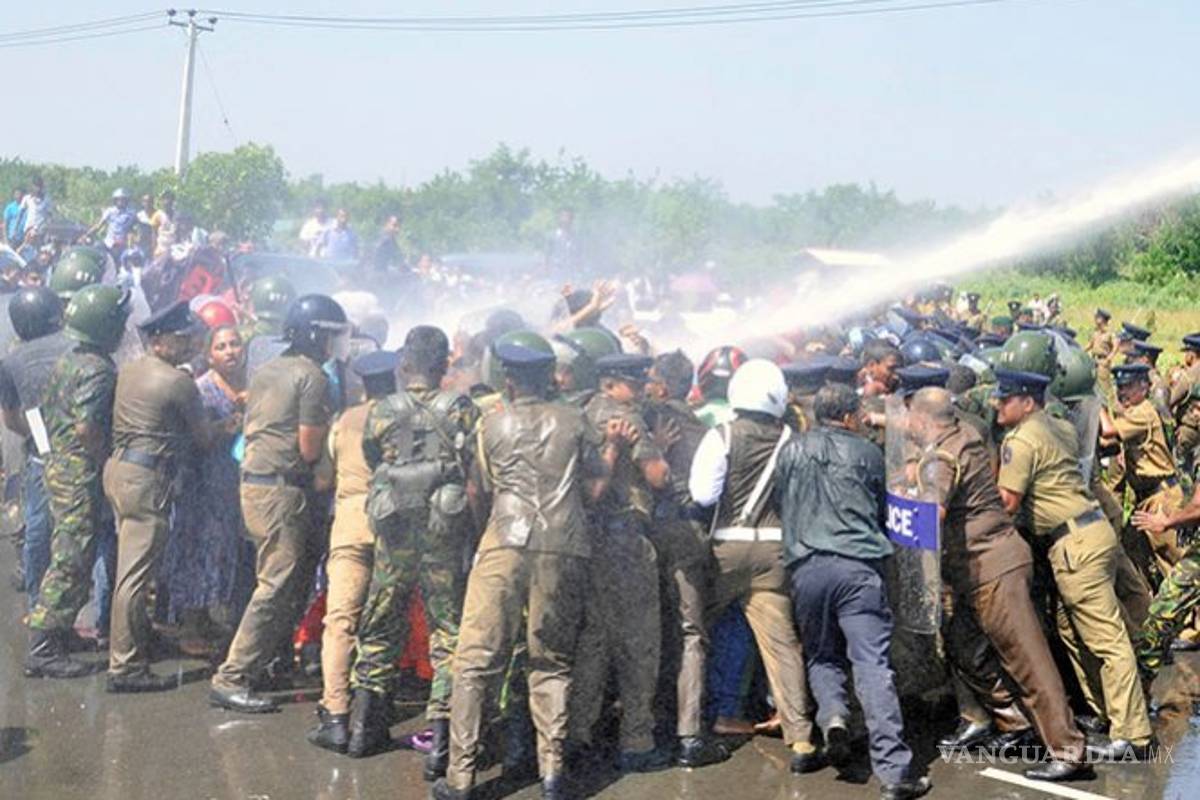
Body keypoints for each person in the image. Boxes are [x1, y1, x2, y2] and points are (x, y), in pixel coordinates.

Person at [431, 341, 622, 800]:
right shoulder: (576, 423)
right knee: (551, 661)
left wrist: (487, 537)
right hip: (564, 545)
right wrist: (614, 448)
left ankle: (460, 777)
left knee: (476, 659)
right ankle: (552, 774)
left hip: (504, 539)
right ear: (550, 376)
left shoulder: (490, 423)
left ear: (509, 378)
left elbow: (479, 490)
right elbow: (594, 491)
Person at [908, 387, 1089, 782]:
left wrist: (898, 516)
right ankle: (1016, 722)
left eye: (909, 418)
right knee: (964, 645)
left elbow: (931, 513)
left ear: (923, 420)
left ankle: (1068, 750)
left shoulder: (941, 457)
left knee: (1028, 663)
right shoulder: (965, 434)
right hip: (980, 570)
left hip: (993, 569)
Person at [775, 383, 929, 799]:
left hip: (807, 571)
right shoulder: (868, 454)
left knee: (822, 657)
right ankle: (895, 773)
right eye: (859, 414)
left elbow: (781, 502)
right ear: (846, 417)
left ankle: (834, 717)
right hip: (859, 571)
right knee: (872, 665)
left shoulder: (791, 451)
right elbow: (887, 510)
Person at [993, 368, 1154, 761]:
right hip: (1093, 530)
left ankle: (1132, 735)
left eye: (1006, 398)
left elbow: (1008, 502)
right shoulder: (1058, 427)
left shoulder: (1022, 440)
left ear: (1027, 401)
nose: (998, 404)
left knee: (1105, 638)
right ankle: (1107, 715)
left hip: (1074, 545)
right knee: (1073, 630)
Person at [209, 294, 348, 713]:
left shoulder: (268, 369)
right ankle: (232, 676)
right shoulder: (313, 376)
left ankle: (268, 661)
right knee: (277, 583)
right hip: (282, 491)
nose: (334, 344)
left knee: (289, 579)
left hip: (255, 485)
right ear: (315, 335)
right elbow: (309, 448)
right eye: (330, 335)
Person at [347, 326, 479, 770]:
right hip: (443, 528)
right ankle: (442, 742)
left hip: (395, 526)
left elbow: (371, 455)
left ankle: (364, 728)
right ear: (445, 365)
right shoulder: (461, 407)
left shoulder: (382, 409)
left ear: (404, 365)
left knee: (381, 618)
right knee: (448, 630)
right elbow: (473, 465)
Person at [688, 359, 816, 774]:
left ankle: (687, 721)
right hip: (774, 555)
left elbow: (703, 495)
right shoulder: (790, 439)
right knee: (782, 647)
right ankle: (800, 737)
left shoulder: (721, 435)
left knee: (694, 634)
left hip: (726, 550)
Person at [569, 353, 671, 771]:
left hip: (590, 541)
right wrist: (659, 451)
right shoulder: (627, 418)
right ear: (611, 383)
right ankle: (637, 739)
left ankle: (578, 731)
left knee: (593, 639)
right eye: (634, 380)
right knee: (639, 642)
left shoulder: (579, 414)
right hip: (627, 541)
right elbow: (658, 477)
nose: (643, 386)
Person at [24, 285, 131, 678]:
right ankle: (43, 646)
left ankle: (59, 632)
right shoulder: (98, 369)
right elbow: (87, 427)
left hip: (58, 465)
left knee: (68, 551)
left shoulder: (70, 359)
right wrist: (107, 460)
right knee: (72, 557)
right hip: (78, 471)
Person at [104, 301, 211, 692]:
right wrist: (230, 421)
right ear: (159, 340)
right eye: (180, 338)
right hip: (148, 479)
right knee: (133, 577)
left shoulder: (130, 371)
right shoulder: (176, 381)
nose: (187, 344)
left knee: (129, 570)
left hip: (121, 471)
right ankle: (126, 667)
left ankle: (135, 644)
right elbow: (203, 437)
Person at [307, 349, 399, 754]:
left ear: (362, 384)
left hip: (349, 522)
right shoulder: (406, 416)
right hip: (393, 526)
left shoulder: (343, 422)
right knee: (385, 621)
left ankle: (336, 715)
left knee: (340, 620)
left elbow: (323, 480)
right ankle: (372, 711)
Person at [642, 350, 730, 767]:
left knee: (648, 628)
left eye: (650, 378)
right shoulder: (701, 429)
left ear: (661, 385)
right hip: (688, 535)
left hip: (647, 536)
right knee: (691, 632)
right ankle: (689, 734)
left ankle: (644, 725)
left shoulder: (645, 419)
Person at [158, 324, 251, 655]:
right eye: (221, 346)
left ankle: (212, 616)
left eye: (235, 344)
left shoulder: (251, 387)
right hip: (202, 484)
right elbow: (192, 437)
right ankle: (191, 625)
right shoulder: (199, 390)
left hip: (237, 484)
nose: (230, 352)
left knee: (226, 552)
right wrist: (230, 424)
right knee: (198, 553)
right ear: (209, 355)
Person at [0, 287, 71, 607]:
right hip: (80, 447)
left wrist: (43, 436)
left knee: (37, 528)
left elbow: (12, 420)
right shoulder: (75, 348)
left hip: (37, 450)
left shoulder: (11, 360)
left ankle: (36, 604)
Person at [1105, 363, 1185, 585]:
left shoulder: (1143, 413)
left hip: (1162, 499)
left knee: (1180, 565)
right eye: (1119, 387)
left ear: (1144, 387)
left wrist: (1098, 406)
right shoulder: (1134, 413)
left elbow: (1109, 431)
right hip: (1148, 499)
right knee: (1131, 552)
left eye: (1128, 386)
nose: (1122, 392)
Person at [84, 188, 138, 259]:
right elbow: (98, 226)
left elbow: (134, 230)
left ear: (127, 200)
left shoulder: (131, 214)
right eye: (118, 199)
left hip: (121, 245)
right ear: (115, 200)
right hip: (108, 243)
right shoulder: (110, 211)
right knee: (97, 250)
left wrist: (133, 242)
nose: (121, 202)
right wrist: (86, 234)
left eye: (123, 199)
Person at [18, 176, 53, 246]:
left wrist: (49, 228)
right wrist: (16, 229)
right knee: (27, 248)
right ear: (32, 186)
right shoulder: (27, 198)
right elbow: (20, 213)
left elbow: (50, 216)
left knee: (38, 250)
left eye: (39, 186)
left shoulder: (46, 199)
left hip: (40, 230)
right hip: (28, 229)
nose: (38, 189)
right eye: (36, 186)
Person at [150, 190, 177, 258]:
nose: (167, 201)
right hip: (161, 249)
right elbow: (154, 234)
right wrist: (154, 250)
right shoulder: (157, 215)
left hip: (174, 249)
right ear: (162, 201)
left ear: (173, 201)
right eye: (165, 199)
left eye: (169, 198)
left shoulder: (177, 215)